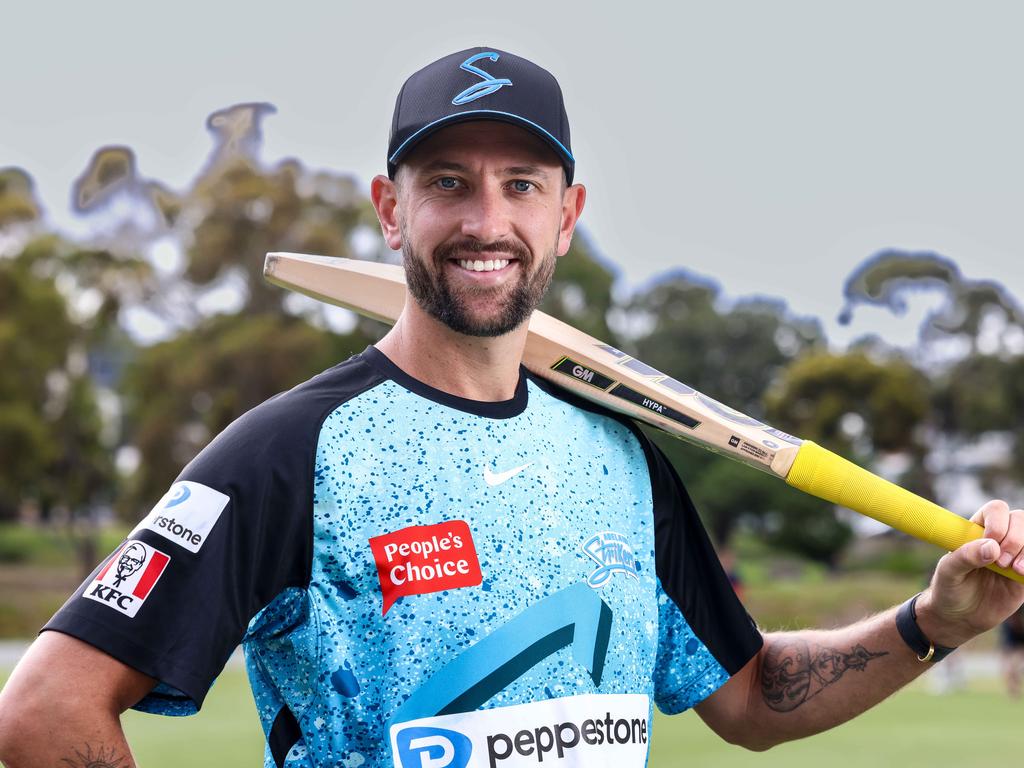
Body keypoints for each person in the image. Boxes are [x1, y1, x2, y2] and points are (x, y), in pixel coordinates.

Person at [1, 46, 1023, 768]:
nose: (486, 220)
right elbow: (45, 716)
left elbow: (750, 698)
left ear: (567, 214)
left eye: (521, 185)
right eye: (449, 182)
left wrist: (933, 620)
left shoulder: (622, 458)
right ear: (389, 207)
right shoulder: (286, 455)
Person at [1000, 605, 1024, 698]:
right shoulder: (1009, 626)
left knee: (1014, 664)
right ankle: (1013, 689)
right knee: (1011, 664)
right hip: (1012, 635)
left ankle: (1014, 688)